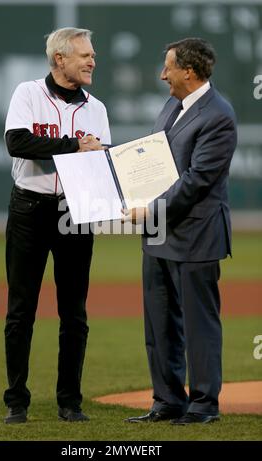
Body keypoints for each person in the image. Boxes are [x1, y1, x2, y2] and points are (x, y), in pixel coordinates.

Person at [122, 37, 237, 425]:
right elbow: (154, 160)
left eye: (168, 67)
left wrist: (149, 209)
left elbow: (196, 181)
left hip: (197, 235)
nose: (162, 75)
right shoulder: (174, 104)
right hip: (159, 235)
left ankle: (204, 405)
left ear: (188, 71)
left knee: (199, 324)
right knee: (158, 324)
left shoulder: (218, 115)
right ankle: (168, 400)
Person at [3, 27, 111, 424]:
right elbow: (17, 142)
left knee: (74, 312)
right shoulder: (28, 94)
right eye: (85, 55)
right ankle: (16, 400)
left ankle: (70, 401)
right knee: (21, 310)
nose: (93, 61)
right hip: (30, 209)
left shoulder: (96, 108)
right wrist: (74, 147)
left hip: (75, 211)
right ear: (59, 59)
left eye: (93, 55)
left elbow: (99, 162)